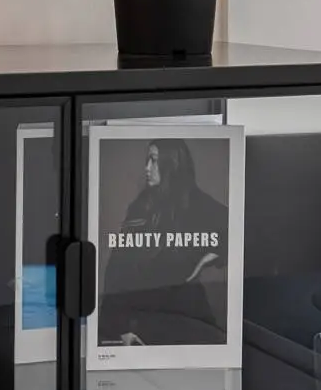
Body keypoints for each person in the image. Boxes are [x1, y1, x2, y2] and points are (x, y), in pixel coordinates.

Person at [98, 138, 228, 347]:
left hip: (185, 317)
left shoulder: (197, 204)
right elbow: (117, 265)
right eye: (147, 160)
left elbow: (236, 230)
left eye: (154, 160)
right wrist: (119, 326)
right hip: (141, 318)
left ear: (172, 164)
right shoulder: (141, 206)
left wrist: (205, 260)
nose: (147, 168)